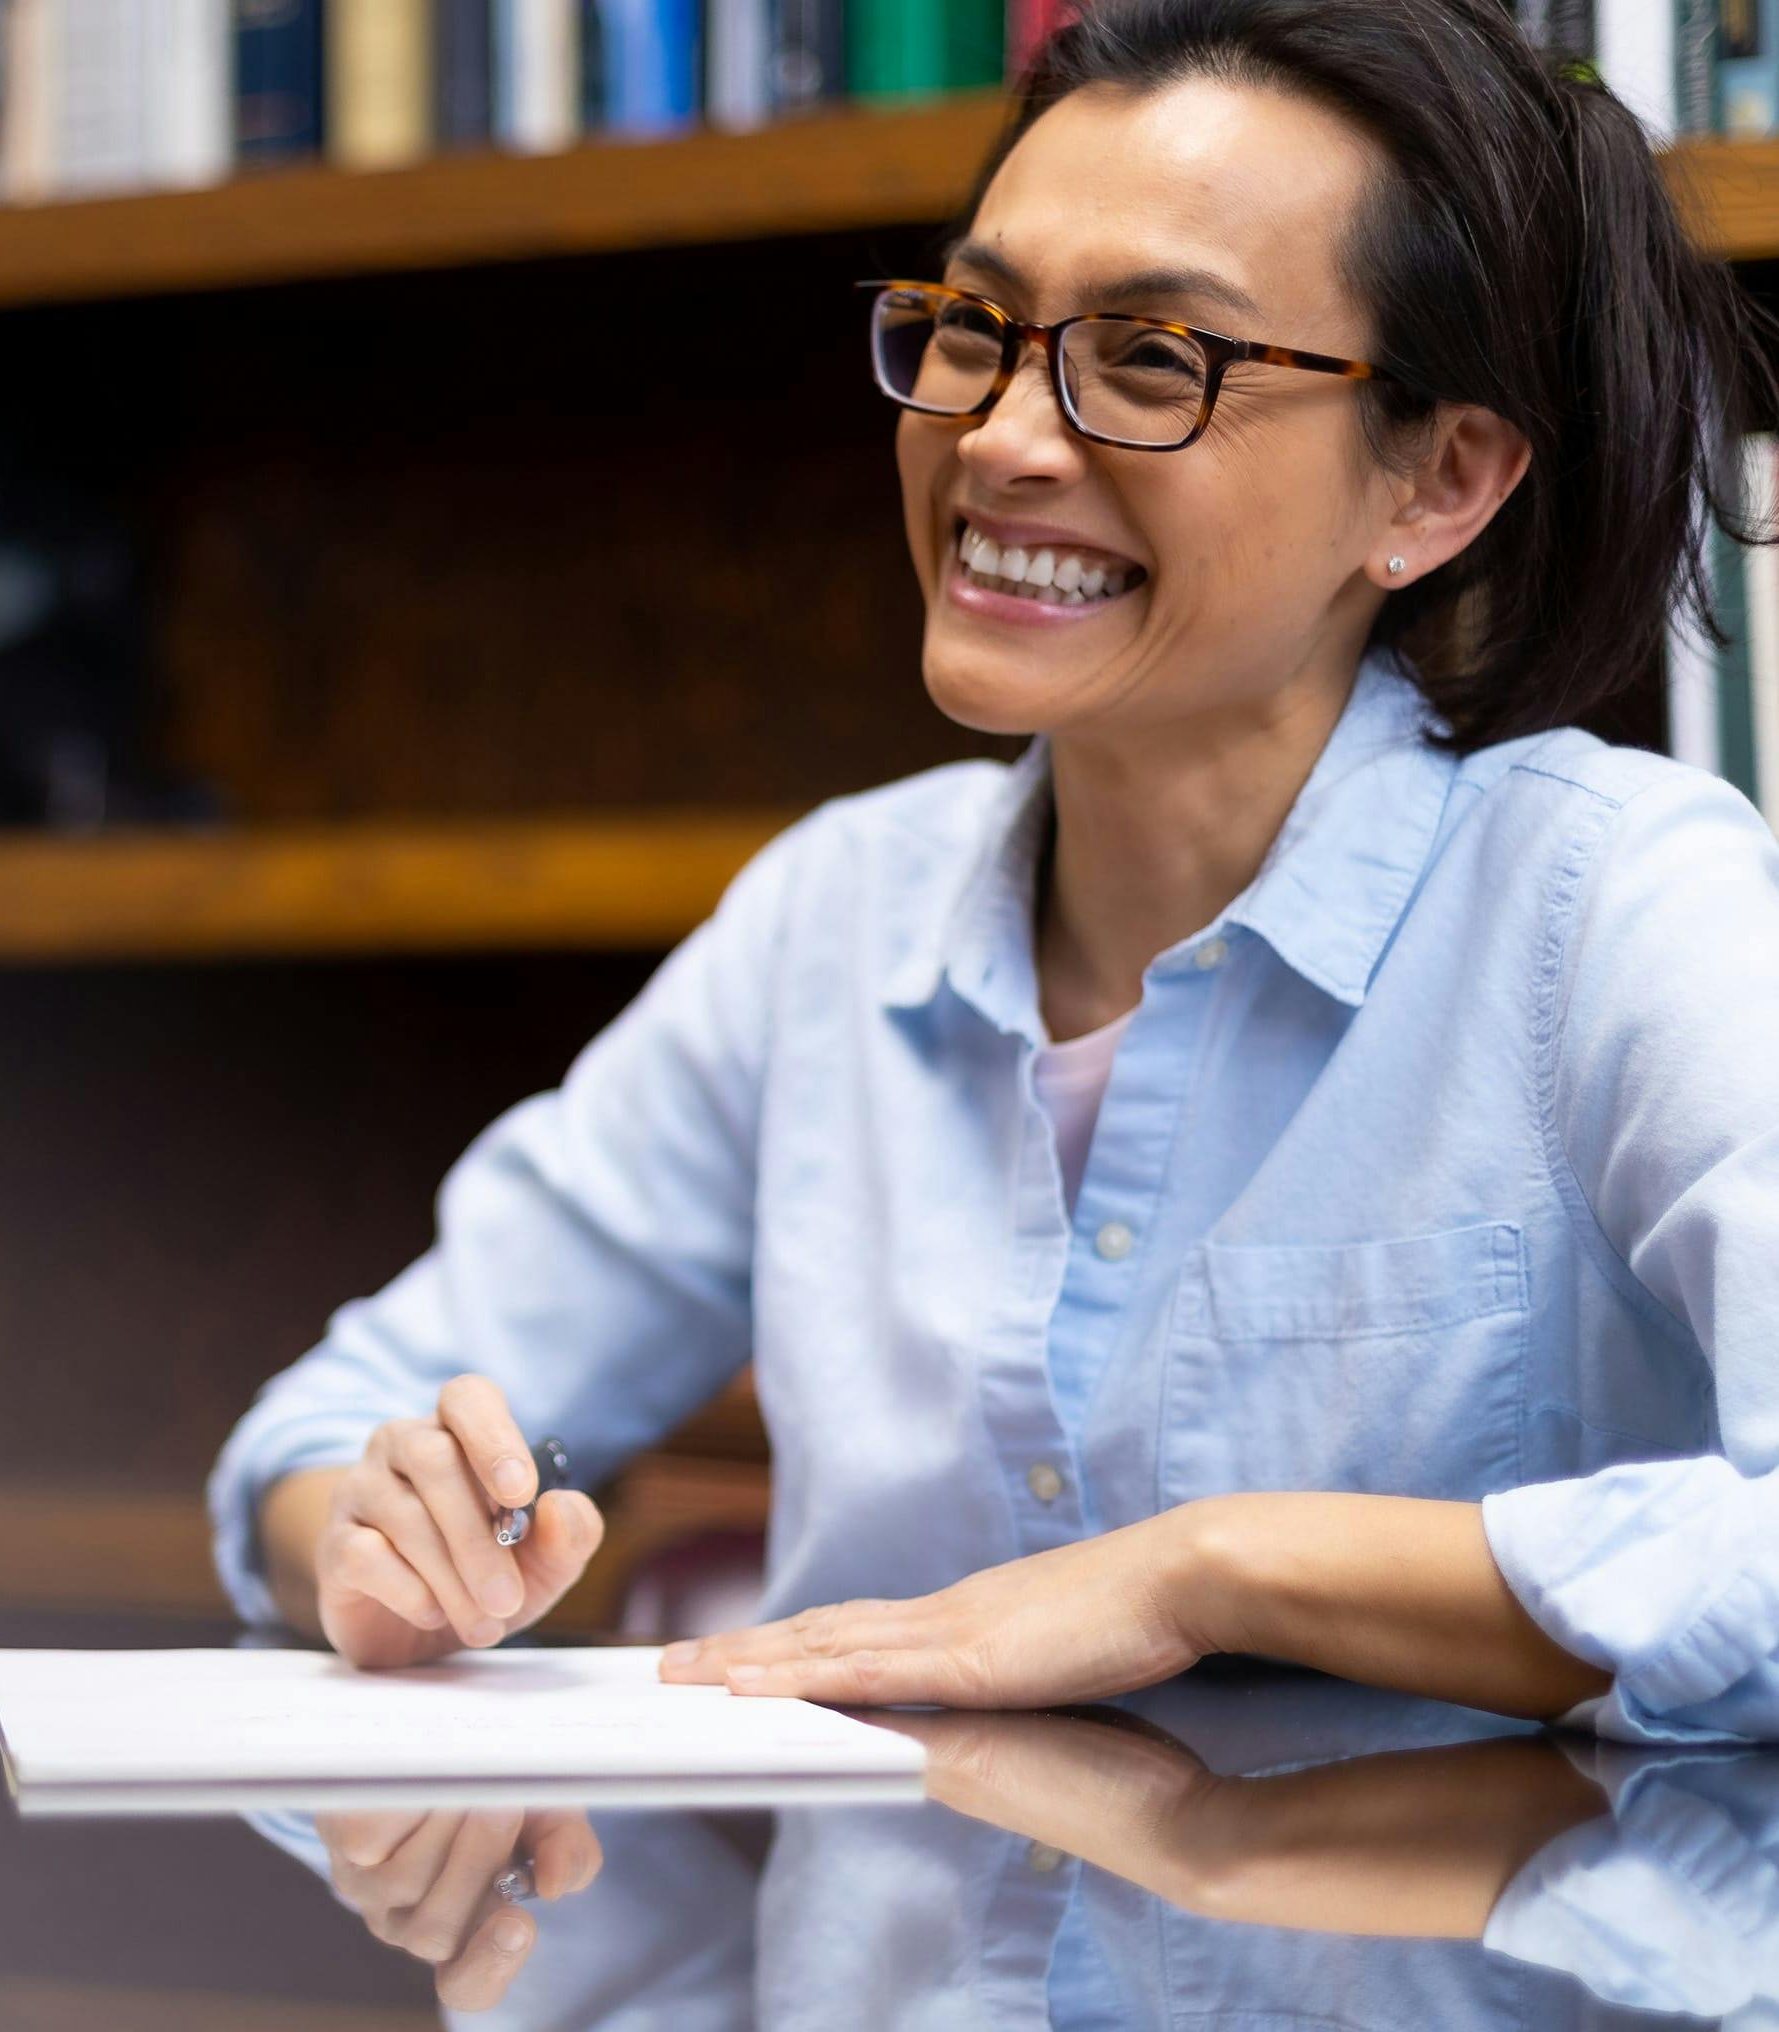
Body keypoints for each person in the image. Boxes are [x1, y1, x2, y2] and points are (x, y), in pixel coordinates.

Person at [208, 0, 1779, 1745]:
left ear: (1436, 480)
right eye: (973, 325)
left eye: (1152, 361)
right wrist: (383, 1537)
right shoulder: (830, 920)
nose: (1002, 440)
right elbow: (328, 1432)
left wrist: (1208, 1574)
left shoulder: (1616, 910)